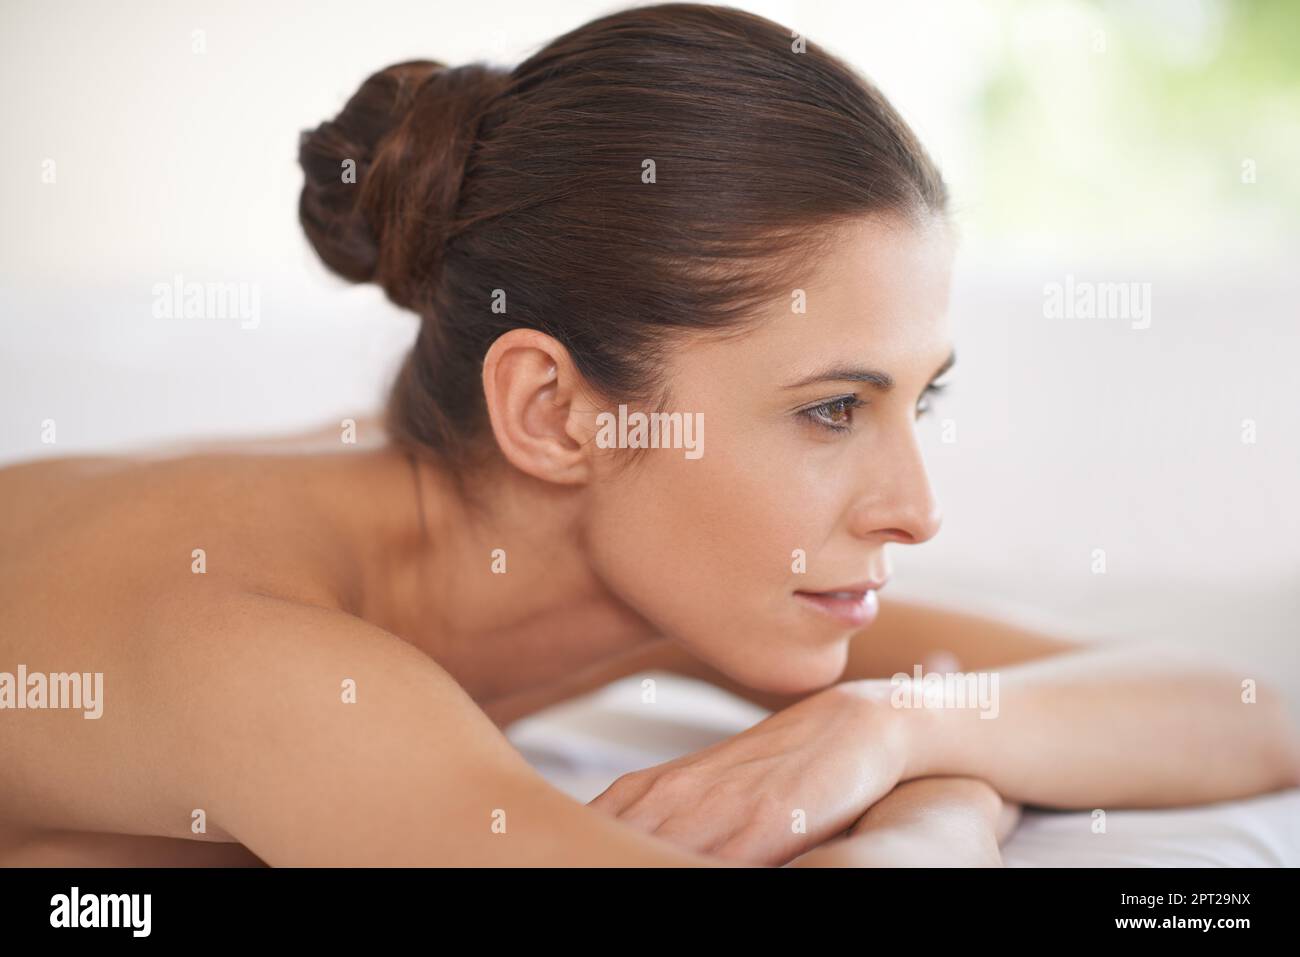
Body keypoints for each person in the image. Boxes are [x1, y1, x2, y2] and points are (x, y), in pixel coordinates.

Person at [1, 3, 1296, 868]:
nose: (915, 507)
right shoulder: (275, 658)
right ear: (553, 412)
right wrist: (954, 795)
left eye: (922, 397)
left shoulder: (632, 553)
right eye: (831, 409)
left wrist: (898, 725)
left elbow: (1243, 706)